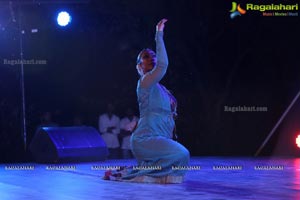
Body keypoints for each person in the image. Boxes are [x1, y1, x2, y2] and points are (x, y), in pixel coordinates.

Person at [104, 19, 190, 183]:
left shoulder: (160, 88)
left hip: (160, 136)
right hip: (146, 139)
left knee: (177, 161)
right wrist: (159, 34)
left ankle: (147, 175)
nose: (151, 58)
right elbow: (163, 65)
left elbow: (154, 111)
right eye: (146, 57)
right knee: (182, 154)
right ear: (139, 66)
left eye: (152, 56)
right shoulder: (145, 82)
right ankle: (148, 176)